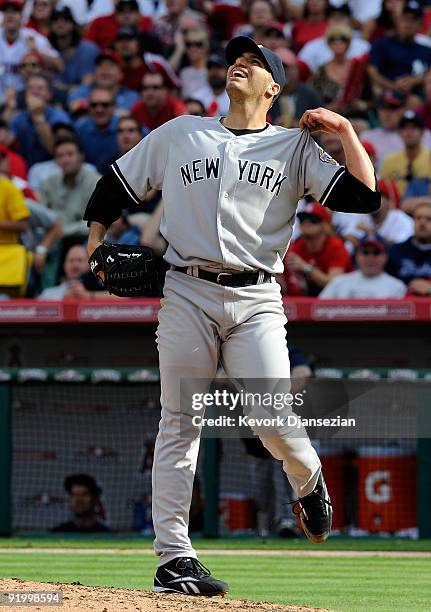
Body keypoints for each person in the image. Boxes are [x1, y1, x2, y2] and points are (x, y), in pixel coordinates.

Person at [83, 35, 380, 596]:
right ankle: (174, 557)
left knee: (272, 420)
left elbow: (365, 200)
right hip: (186, 290)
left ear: (274, 87)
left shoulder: (294, 146)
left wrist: (344, 133)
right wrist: (98, 244)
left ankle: (307, 478)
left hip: (257, 299)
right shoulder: (180, 132)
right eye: (236, 58)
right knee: (179, 421)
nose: (240, 64)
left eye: (256, 62)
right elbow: (111, 190)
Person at [283, 201, 352, 296]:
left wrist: (306, 268)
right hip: (306, 299)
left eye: (313, 219)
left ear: (325, 225)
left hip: (339, 301)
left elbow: (334, 284)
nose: (306, 223)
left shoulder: (336, 246)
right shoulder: (296, 247)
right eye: (303, 220)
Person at [38, 137, 100, 239]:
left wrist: (61, 231)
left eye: (70, 154)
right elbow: (42, 215)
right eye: (60, 156)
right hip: (54, 238)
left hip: (84, 238)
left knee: (76, 254)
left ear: (81, 157)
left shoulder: (95, 182)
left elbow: (95, 223)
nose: (65, 160)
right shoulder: (49, 183)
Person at [0, 0, 62, 97]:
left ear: (22, 16)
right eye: (6, 12)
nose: (10, 16)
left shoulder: (32, 37)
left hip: (26, 95)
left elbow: (59, 65)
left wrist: (37, 51)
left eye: (15, 11)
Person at [368, 0, 431, 96]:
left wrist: (415, 81)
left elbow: (429, 73)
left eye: (414, 19)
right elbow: (372, 71)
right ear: (397, 20)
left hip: (417, 97)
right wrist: (393, 86)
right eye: (405, 19)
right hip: (386, 94)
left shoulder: (426, 50)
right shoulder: (382, 44)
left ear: (420, 24)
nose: (408, 24)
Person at [9, 73, 72, 167]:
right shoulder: (18, 117)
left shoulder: (60, 117)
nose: (34, 92)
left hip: (54, 169)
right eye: (30, 88)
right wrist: (10, 109)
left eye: (40, 88)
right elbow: (8, 146)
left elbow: (56, 151)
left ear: (49, 95)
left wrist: (38, 116)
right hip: (24, 169)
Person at [319, 234, 406, 298]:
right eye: (365, 253)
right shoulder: (339, 282)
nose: (370, 257)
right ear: (357, 256)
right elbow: (318, 309)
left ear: (385, 257)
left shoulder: (397, 287)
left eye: (376, 253)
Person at [67, 50, 140, 115]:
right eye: (100, 65)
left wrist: (90, 107)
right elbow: (74, 107)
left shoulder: (132, 97)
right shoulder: (80, 92)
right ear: (94, 73)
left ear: (120, 74)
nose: (105, 69)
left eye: (110, 66)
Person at [344, 180, 414, 246]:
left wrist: (371, 233)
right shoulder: (362, 216)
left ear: (388, 201)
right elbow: (348, 237)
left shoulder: (400, 219)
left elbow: (401, 247)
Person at [380, 110, 431, 197]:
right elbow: (383, 191)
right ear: (400, 133)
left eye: (413, 128)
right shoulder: (389, 160)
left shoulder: (429, 157)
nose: (409, 132)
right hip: (396, 208)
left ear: (422, 132)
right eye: (405, 128)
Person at [387, 203, 431, 296]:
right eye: (418, 218)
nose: (422, 223)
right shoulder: (395, 251)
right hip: (400, 305)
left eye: (428, 219)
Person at [75, 87, 120, 173]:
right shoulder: (80, 129)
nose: (99, 109)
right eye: (94, 105)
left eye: (105, 105)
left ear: (114, 106)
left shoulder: (126, 128)